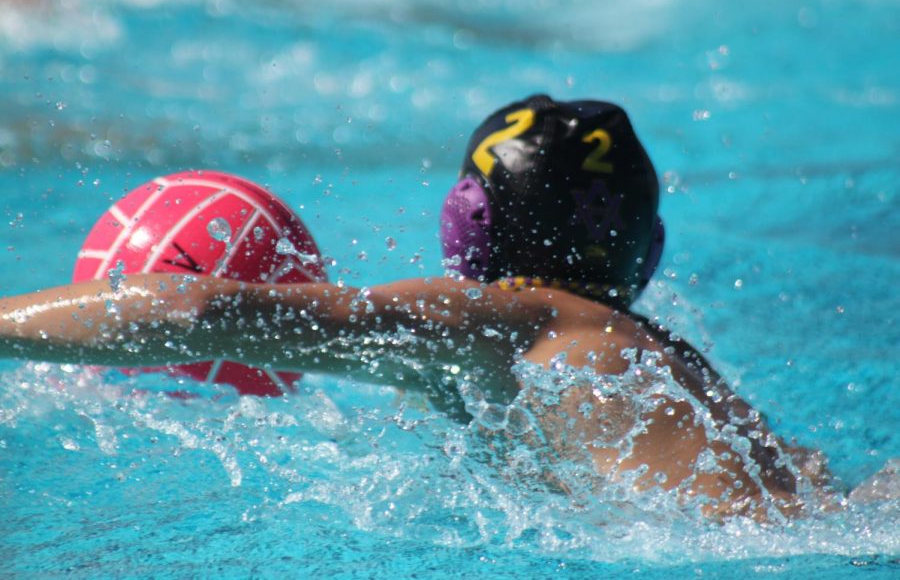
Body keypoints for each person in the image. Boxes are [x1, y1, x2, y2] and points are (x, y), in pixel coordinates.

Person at [0, 95, 830, 519]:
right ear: (645, 247)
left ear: (473, 220)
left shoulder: (520, 317)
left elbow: (194, 310)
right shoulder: (655, 352)